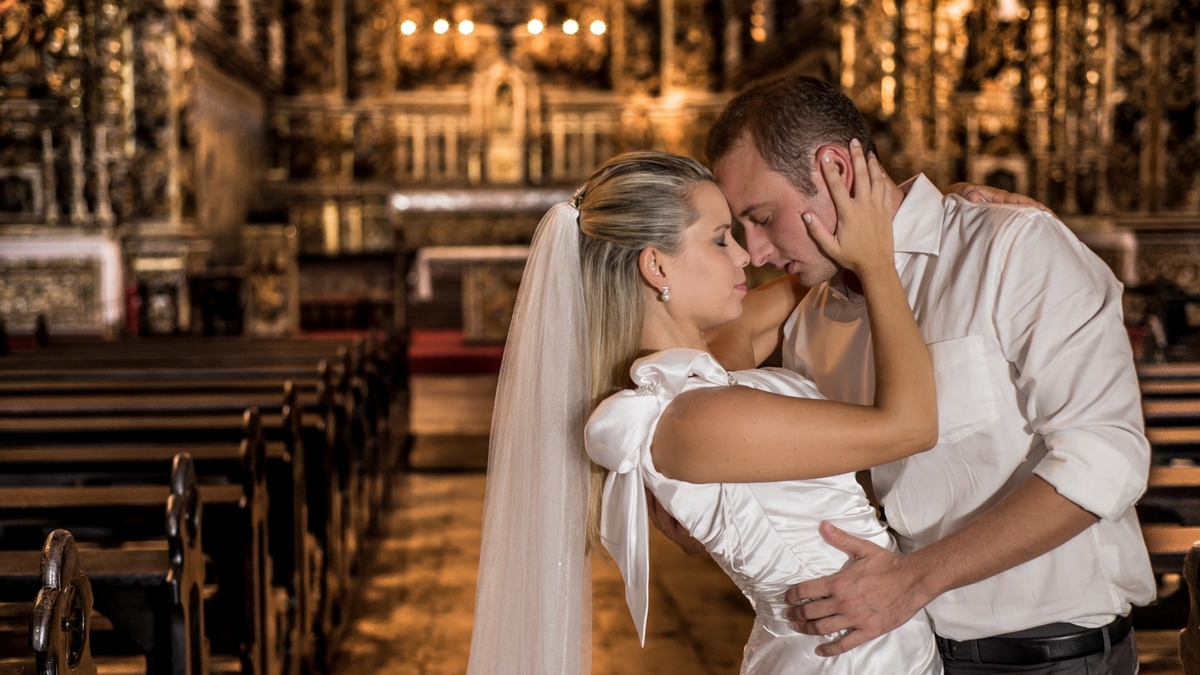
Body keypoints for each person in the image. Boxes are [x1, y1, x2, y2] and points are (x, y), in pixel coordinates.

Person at [650, 73, 1154, 674]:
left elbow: (1107, 460)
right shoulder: (812, 316)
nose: (754, 251)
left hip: (1047, 655)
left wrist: (918, 579)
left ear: (837, 170)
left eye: (761, 217)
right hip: (904, 653)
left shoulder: (1012, 250)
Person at [465, 144, 949, 675]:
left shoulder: (695, 382)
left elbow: (759, 317)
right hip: (848, 658)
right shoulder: (695, 418)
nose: (746, 255)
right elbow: (911, 425)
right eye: (720, 239)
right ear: (655, 265)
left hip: (863, 646)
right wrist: (877, 260)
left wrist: (920, 213)